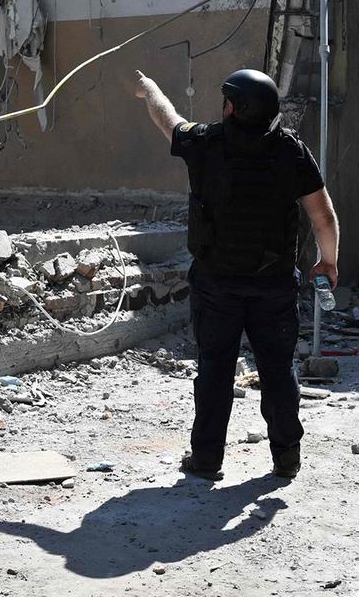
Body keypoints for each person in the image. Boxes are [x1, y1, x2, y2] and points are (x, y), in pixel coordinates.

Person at [133, 67, 339, 482]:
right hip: (274, 286)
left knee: (214, 370)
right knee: (278, 371)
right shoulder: (292, 151)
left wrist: (149, 88)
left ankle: (207, 460)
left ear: (234, 107)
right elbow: (323, 216)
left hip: (216, 285)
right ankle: (286, 459)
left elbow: (167, 119)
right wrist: (328, 261)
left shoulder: (204, 142)